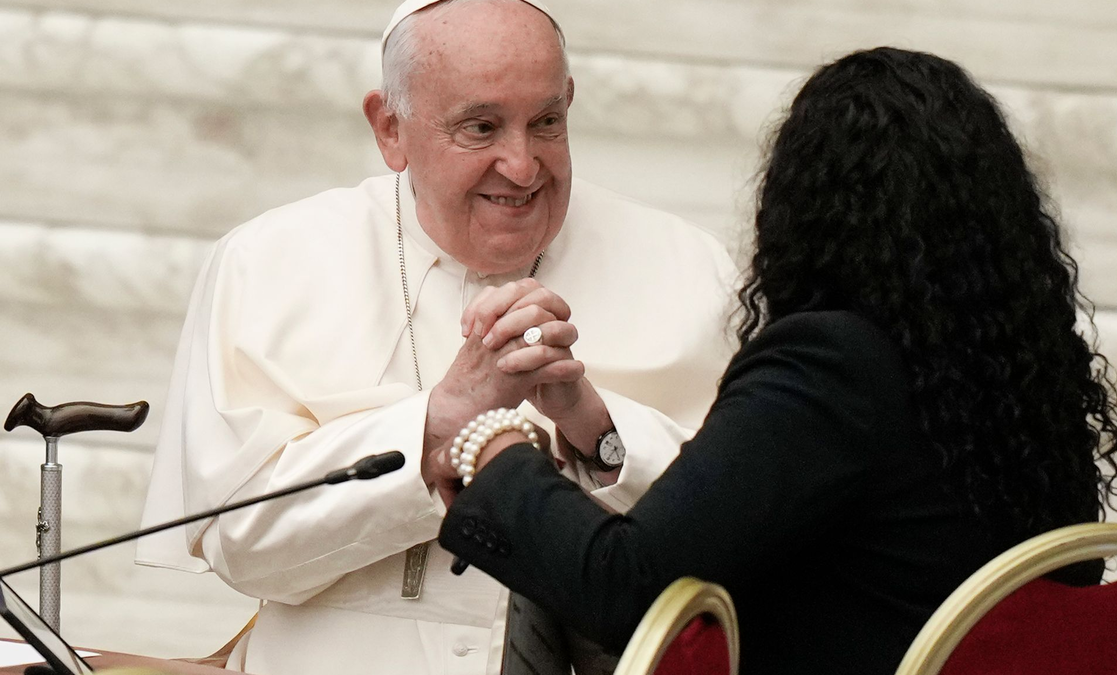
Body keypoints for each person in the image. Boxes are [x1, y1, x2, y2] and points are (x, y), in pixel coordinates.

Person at [437, 46, 1117, 674]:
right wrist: (592, 424)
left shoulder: (830, 367)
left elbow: (628, 584)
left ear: (808, 209)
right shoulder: (1021, 383)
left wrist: (488, 442)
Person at [134, 1, 737, 674]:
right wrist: (434, 424)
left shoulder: (689, 268)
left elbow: (740, 535)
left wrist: (598, 430)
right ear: (390, 129)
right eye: (481, 128)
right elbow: (238, 538)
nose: (522, 165)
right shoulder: (268, 261)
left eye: (546, 123)